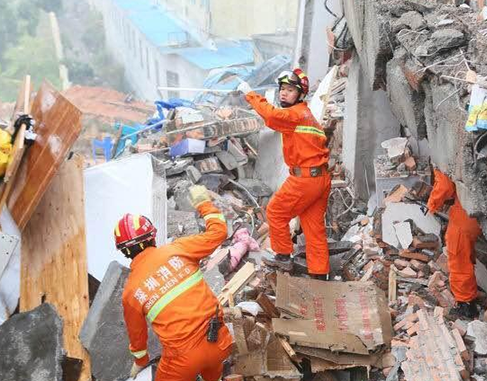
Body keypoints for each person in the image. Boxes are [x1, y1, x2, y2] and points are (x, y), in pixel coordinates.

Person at [116, 185, 232, 380]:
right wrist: (204, 203)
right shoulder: (179, 249)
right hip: (219, 341)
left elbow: (138, 338)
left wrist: (140, 363)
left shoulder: (131, 292)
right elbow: (219, 232)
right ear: (152, 236)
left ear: (124, 251)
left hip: (182, 360)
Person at [237, 68, 331, 280]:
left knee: (275, 212)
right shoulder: (306, 115)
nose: (283, 93)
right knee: (313, 228)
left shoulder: (295, 114)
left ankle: (283, 257)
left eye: (290, 90)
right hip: (320, 179)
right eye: (282, 89)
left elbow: (270, 116)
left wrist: (250, 94)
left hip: (305, 179)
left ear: (300, 94)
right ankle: (319, 274)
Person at [427, 169, 482, 318]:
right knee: (465, 254)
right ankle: (469, 293)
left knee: (458, 257)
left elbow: (445, 186)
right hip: (474, 203)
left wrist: (431, 204)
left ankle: (466, 304)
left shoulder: (442, 150)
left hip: (466, 209)